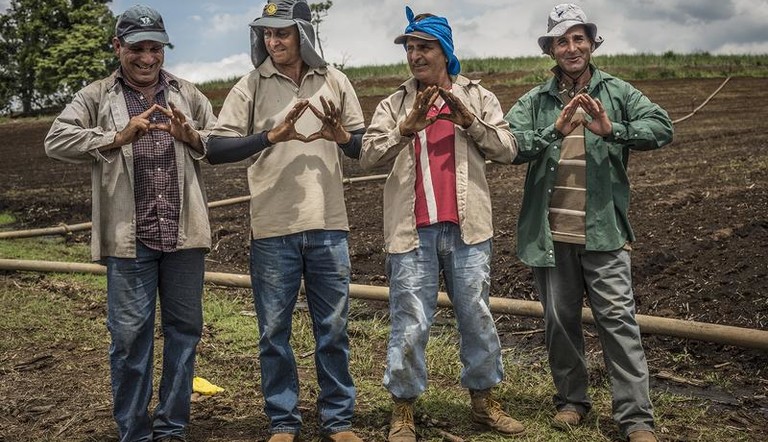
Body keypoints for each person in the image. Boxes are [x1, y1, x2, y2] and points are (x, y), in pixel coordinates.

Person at [44, 4, 216, 442]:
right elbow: (57, 139)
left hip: (183, 236)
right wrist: (116, 138)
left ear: (164, 49)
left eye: (155, 48)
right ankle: (135, 432)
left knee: (184, 333)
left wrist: (191, 137)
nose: (147, 58)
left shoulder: (187, 94)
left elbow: (219, 140)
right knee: (129, 340)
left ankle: (172, 428)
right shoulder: (97, 96)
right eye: (137, 48)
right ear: (118, 47)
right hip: (129, 239)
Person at [504, 4, 674, 442]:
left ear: (592, 43)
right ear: (551, 50)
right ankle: (572, 400)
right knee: (560, 322)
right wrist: (553, 133)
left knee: (618, 322)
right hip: (551, 233)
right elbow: (509, 143)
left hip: (605, 231)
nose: (571, 47)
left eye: (579, 38)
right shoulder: (537, 100)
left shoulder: (617, 92)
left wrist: (612, 129)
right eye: (562, 40)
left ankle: (635, 418)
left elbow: (662, 126)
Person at [360, 7, 523, 442]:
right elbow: (367, 154)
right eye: (410, 48)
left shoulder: (478, 97)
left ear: (445, 51)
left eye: (424, 47)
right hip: (412, 231)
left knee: (477, 316)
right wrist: (404, 129)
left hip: (468, 229)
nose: (415, 55)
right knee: (410, 320)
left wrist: (468, 121)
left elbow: (507, 148)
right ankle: (403, 410)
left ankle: (484, 402)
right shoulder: (394, 103)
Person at [204, 1, 365, 441]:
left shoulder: (335, 81)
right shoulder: (250, 86)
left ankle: (338, 420)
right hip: (272, 229)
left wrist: (343, 137)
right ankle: (283, 421)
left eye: (282, 33)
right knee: (274, 332)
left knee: (332, 329)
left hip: (329, 225)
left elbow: (361, 145)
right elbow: (216, 149)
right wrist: (269, 137)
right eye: (266, 34)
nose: (273, 42)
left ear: (304, 35)